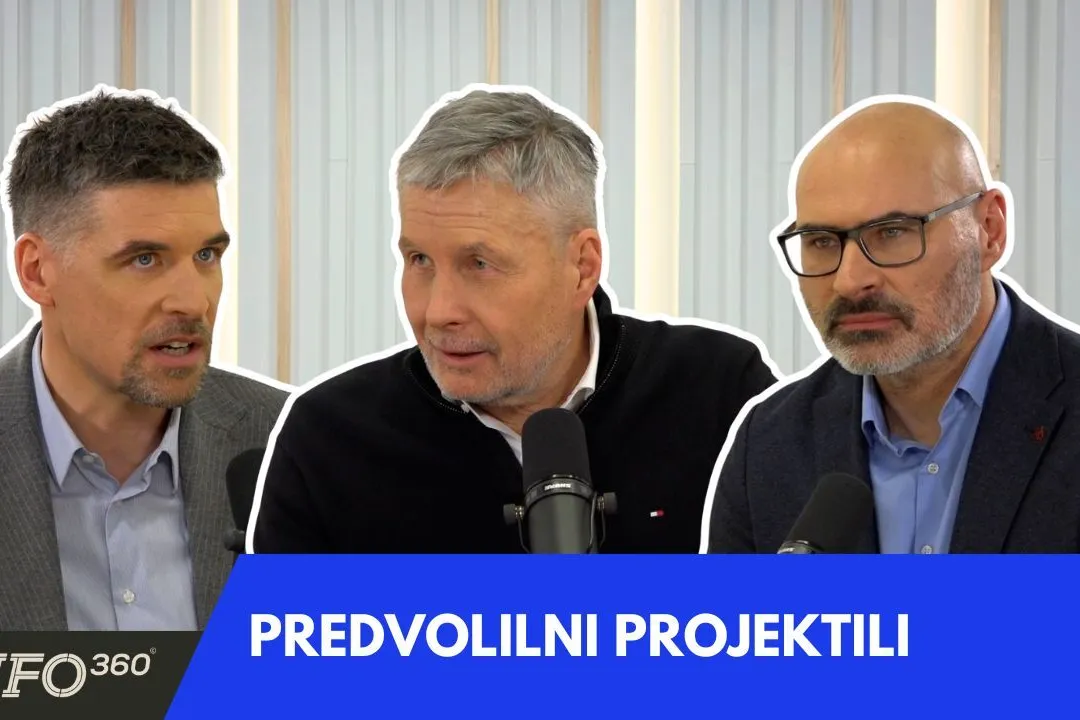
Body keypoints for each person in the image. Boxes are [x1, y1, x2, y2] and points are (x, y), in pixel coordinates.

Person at [250, 86, 778, 554]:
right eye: (419, 260)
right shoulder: (327, 438)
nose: (439, 312)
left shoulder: (722, 394)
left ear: (582, 267)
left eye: (480, 264)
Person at [704, 96, 1080, 554]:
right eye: (821, 241)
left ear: (989, 229)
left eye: (893, 232)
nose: (850, 281)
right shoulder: (769, 445)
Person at [0, 87, 291, 631]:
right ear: (37, 271)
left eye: (206, 255)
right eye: (144, 259)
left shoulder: (299, 444)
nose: (193, 301)